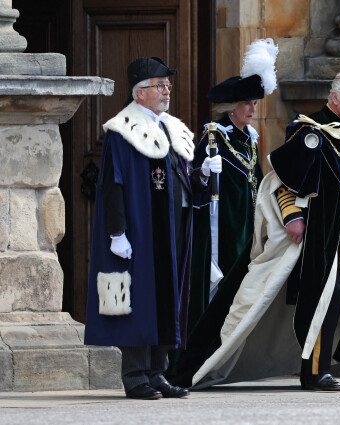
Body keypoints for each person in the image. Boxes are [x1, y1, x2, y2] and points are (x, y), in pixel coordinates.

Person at [172, 70, 340, 392]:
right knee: (308, 300)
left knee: (334, 301)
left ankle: (319, 369)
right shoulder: (310, 130)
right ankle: (312, 373)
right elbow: (282, 179)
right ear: (335, 97)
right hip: (312, 235)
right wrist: (292, 216)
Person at [84, 57, 222, 400]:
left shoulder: (170, 128)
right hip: (139, 230)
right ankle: (135, 376)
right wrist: (117, 233)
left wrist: (202, 173)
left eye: (168, 86)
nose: (167, 91)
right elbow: (113, 184)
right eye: (160, 86)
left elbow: (182, 182)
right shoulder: (122, 130)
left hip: (171, 229)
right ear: (140, 93)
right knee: (139, 298)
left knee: (166, 296)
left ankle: (158, 372)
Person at [166, 39, 277, 382]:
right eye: (246, 103)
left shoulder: (250, 140)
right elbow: (192, 185)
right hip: (219, 229)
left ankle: (228, 360)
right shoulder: (214, 138)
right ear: (231, 107)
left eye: (254, 103)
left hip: (245, 227)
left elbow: (257, 183)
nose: (252, 109)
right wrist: (202, 173)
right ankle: (195, 363)